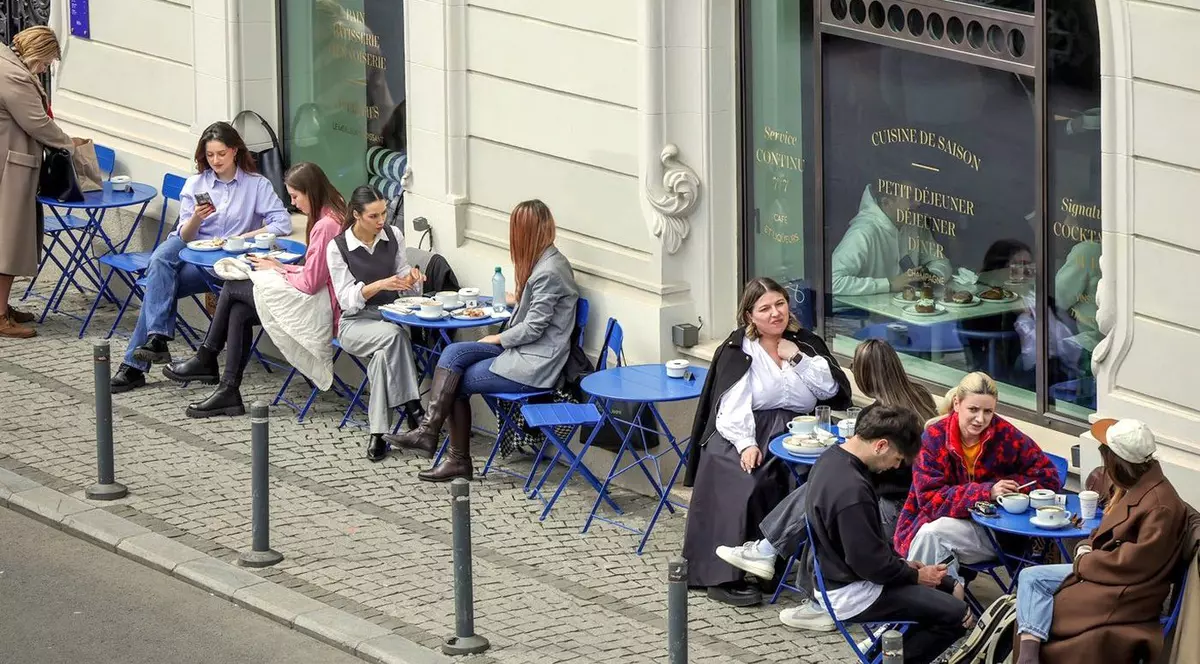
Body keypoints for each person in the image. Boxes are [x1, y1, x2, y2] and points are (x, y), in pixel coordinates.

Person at [715, 338, 937, 630]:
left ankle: (811, 593)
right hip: (906, 502)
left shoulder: (887, 417)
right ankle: (771, 552)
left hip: (896, 507)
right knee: (822, 494)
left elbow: (884, 474)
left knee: (824, 507)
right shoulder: (920, 397)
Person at [682, 277, 852, 607]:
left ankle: (771, 561)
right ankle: (722, 574)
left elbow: (830, 391)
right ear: (749, 315)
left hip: (803, 431)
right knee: (747, 478)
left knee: (809, 481)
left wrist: (798, 358)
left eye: (780, 304)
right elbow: (731, 406)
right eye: (765, 308)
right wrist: (746, 443)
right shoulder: (739, 351)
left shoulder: (806, 343)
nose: (775, 313)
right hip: (747, 428)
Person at [388, 199, 579, 482]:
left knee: (457, 383)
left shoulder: (550, 271)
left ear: (524, 233)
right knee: (453, 352)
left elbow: (534, 329)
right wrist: (514, 302)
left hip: (534, 364)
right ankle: (429, 431)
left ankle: (456, 460)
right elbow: (536, 314)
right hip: (521, 352)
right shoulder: (545, 262)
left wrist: (498, 337)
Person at [110, 122, 291, 392]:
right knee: (161, 258)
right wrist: (197, 216)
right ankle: (155, 339)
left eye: (220, 154)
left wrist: (245, 236)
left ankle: (138, 362)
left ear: (234, 151)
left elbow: (282, 223)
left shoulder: (256, 185)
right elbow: (184, 235)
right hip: (190, 248)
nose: (215, 160)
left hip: (223, 261)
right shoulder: (197, 183)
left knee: (157, 291)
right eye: (209, 155)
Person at [162, 162, 348, 418]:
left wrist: (279, 269)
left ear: (311, 191)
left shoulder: (326, 224)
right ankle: (228, 390)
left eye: (295, 196)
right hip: (319, 296)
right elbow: (314, 274)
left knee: (233, 285)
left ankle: (207, 357)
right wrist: (280, 266)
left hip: (323, 305)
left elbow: (311, 282)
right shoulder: (333, 210)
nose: (294, 203)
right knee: (238, 312)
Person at [1004, 419, 1187, 664]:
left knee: (1035, 588)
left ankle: (1027, 657)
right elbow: (1107, 533)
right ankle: (1027, 657)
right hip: (1106, 573)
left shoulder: (1159, 505)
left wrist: (1085, 560)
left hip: (1124, 591)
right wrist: (1085, 546)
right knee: (1030, 579)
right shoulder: (1139, 487)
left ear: (1118, 463)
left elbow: (1135, 564)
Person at [807, 403, 970, 664]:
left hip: (837, 577)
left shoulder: (830, 459)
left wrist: (905, 566)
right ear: (881, 445)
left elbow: (868, 552)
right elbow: (870, 564)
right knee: (956, 614)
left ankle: (879, 654)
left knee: (950, 587)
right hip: (852, 592)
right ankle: (888, 660)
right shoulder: (853, 490)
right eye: (897, 459)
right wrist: (914, 574)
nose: (895, 468)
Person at [895, 372, 1062, 582]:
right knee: (931, 536)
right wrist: (986, 491)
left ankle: (941, 605)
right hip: (936, 522)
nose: (980, 419)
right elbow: (930, 501)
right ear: (957, 403)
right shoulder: (933, 439)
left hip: (996, 531)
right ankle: (947, 601)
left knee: (931, 537)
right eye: (973, 409)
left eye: (988, 411)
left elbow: (1048, 476)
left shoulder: (1006, 436)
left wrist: (1010, 490)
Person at [325, 185, 425, 461]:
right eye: (374, 216)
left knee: (383, 358)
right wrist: (379, 284)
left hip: (390, 318)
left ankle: (378, 435)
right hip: (355, 323)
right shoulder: (338, 248)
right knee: (393, 336)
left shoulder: (394, 235)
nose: (382, 221)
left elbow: (403, 277)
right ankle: (414, 408)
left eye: (384, 213)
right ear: (356, 215)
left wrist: (412, 280)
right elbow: (346, 299)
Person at [0, 26, 75, 338]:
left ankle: (3, 305)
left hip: (10, 164)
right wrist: (71, 144)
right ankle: (0, 316)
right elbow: (37, 123)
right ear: (35, 53)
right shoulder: (14, 75)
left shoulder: (5, 61)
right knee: (9, 242)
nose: (45, 69)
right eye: (46, 63)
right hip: (11, 169)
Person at [829, 181, 953, 296]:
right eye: (910, 198)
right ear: (886, 203)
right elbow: (832, 281)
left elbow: (940, 261)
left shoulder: (915, 224)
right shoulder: (863, 232)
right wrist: (889, 284)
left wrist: (931, 277)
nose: (918, 203)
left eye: (918, 196)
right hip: (862, 316)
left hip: (907, 312)